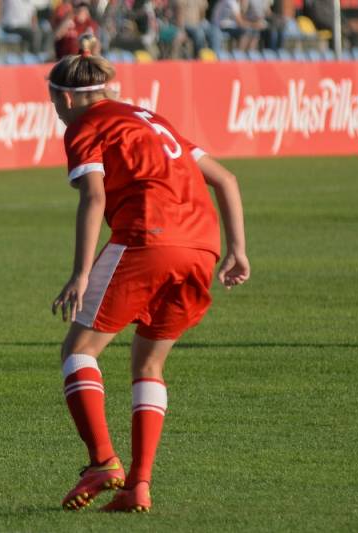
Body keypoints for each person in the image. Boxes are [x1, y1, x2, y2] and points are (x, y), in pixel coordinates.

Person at [47, 45, 249, 512]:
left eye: (54, 100)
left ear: (67, 97)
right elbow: (226, 179)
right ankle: (138, 485)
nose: (56, 110)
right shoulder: (150, 119)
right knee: (149, 364)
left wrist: (80, 273)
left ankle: (102, 462)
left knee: (78, 351)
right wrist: (237, 250)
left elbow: (94, 196)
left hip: (147, 237)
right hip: (201, 248)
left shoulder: (85, 125)